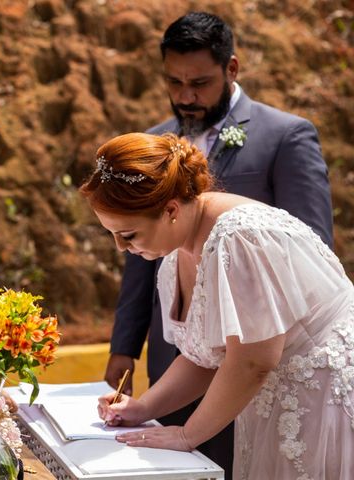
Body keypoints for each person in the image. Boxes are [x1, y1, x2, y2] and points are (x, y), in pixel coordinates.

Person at [104, 12, 333, 475]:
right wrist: (124, 345)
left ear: (231, 69)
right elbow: (140, 256)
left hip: (273, 355)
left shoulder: (284, 136)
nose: (186, 96)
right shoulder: (150, 144)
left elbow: (310, 246)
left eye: (200, 83)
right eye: (174, 82)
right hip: (186, 349)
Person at [83, 132, 354, 479]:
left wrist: (187, 434)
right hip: (273, 403)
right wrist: (142, 407)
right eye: (112, 234)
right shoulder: (177, 250)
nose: (120, 248)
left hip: (321, 404)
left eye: (128, 234)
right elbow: (206, 357)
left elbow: (253, 360)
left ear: (170, 210)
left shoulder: (241, 238)